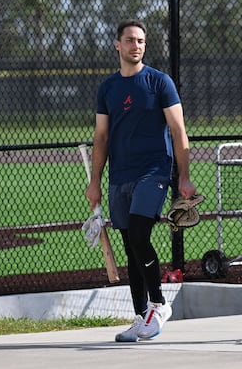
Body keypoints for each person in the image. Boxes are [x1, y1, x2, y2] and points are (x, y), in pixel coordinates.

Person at [84, 19, 197, 342]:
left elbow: (178, 131)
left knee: (138, 234)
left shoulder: (160, 82)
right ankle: (140, 316)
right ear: (117, 45)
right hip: (120, 176)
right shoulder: (108, 88)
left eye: (142, 41)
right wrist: (95, 182)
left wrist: (184, 178)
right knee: (130, 246)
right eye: (131, 40)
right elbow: (101, 137)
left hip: (154, 172)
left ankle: (158, 304)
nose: (137, 45)